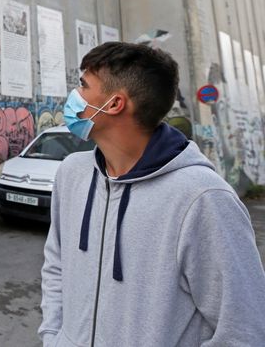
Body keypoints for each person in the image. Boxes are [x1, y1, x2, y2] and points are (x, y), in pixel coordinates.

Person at [39, 41, 265, 347]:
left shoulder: (204, 198)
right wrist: (53, 337)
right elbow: (56, 265)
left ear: (115, 104)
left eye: (83, 85)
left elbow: (245, 330)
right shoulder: (72, 173)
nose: (74, 95)